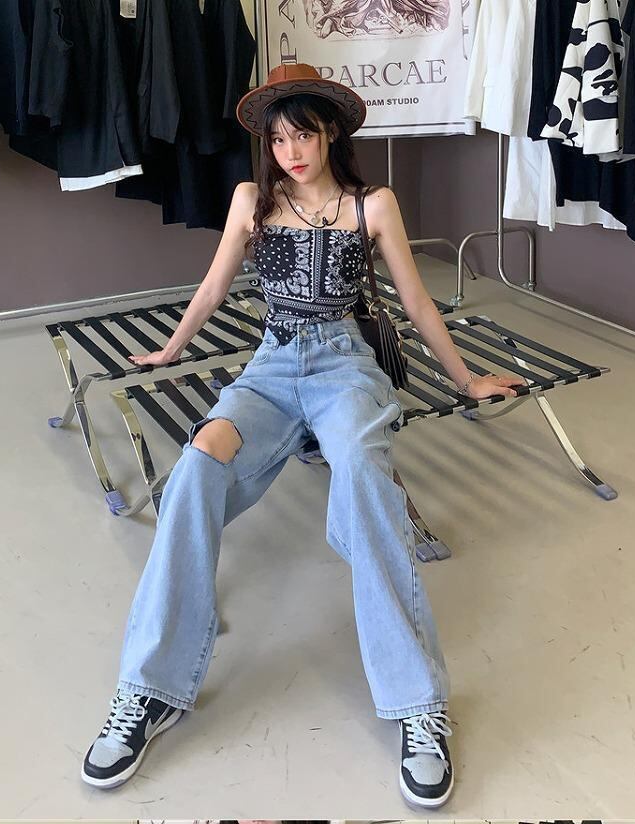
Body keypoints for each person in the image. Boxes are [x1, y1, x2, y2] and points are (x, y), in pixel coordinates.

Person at [80, 63, 525, 808]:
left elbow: (416, 303)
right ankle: (149, 689)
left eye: (305, 135)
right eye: (279, 138)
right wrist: (172, 349)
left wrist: (468, 379)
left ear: (331, 134)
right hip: (269, 368)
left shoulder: (372, 203)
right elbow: (214, 286)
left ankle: (417, 704)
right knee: (197, 465)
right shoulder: (251, 200)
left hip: (345, 368)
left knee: (364, 476)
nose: (291, 151)